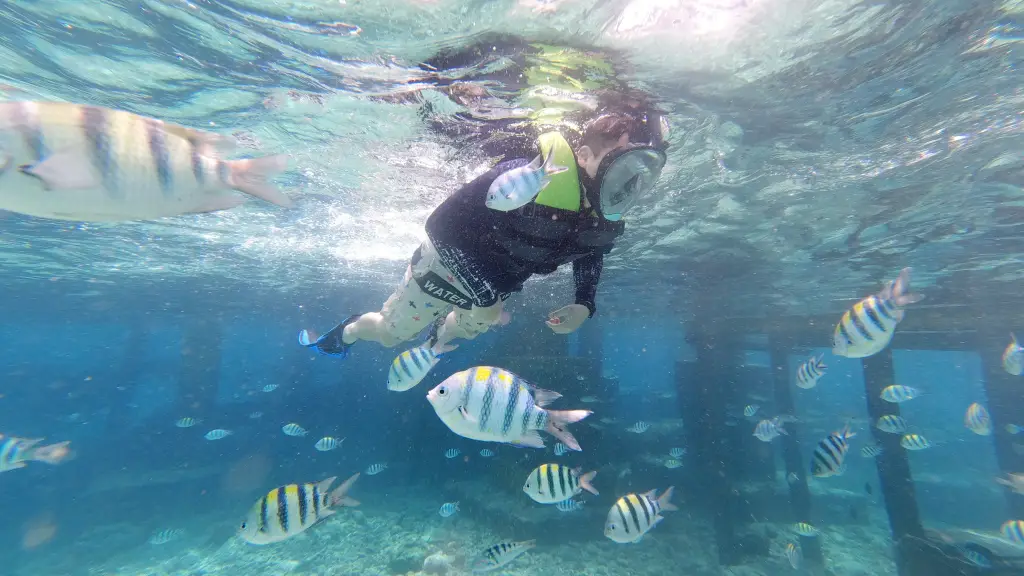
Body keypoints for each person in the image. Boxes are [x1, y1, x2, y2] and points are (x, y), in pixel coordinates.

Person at [298, 108, 669, 358]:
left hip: (491, 295)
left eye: (641, 173)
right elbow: (439, 226)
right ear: (584, 155)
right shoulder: (524, 178)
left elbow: (592, 251)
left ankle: (442, 333)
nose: (630, 183)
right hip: (443, 272)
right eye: (623, 167)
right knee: (390, 336)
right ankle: (344, 334)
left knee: (461, 331)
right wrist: (486, 295)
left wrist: (584, 302)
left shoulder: (606, 213)